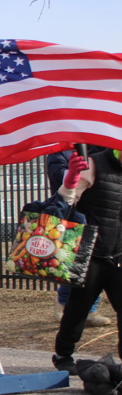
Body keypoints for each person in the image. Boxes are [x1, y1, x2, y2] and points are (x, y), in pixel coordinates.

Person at [51, 149, 122, 376]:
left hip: (119, 255)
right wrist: (71, 178)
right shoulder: (94, 164)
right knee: (78, 307)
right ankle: (63, 355)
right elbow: (65, 199)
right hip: (91, 253)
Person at [46, 149, 110, 326]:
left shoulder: (96, 150)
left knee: (95, 267)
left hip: (99, 215)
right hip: (73, 217)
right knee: (76, 266)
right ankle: (64, 305)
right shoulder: (59, 153)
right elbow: (58, 180)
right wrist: (77, 173)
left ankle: (89, 310)